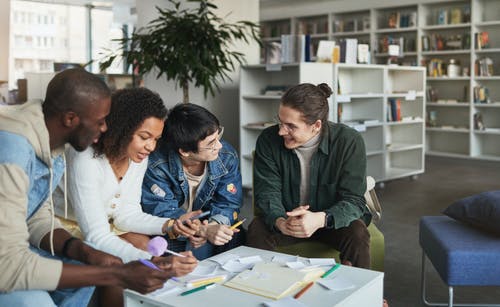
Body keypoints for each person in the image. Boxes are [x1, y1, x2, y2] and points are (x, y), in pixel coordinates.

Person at [0, 69, 196, 307]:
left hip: (18, 252)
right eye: (100, 121)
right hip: (8, 263)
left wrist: (80, 250)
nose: (105, 128)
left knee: (91, 260)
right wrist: (117, 273)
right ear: (70, 119)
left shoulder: (52, 144)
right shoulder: (13, 151)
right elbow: (8, 267)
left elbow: (36, 216)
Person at [247, 83, 372, 268]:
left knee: (358, 233)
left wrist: (321, 219)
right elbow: (266, 193)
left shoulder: (349, 141)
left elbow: (354, 200)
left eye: (291, 126)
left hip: (331, 221)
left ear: (316, 126)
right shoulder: (268, 139)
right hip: (287, 220)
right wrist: (281, 221)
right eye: (280, 121)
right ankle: (259, 287)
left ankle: (363, 294)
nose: (281, 131)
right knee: (257, 229)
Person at [141, 103, 244, 260]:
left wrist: (212, 226)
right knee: (169, 252)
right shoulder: (156, 164)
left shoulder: (226, 155)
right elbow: (161, 212)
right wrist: (198, 231)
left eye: (218, 136)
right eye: (211, 143)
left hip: (210, 222)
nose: (220, 145)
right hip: (173, 227)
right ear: (185, 151)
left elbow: (228, 203)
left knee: (234, 235)